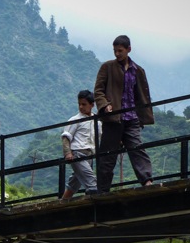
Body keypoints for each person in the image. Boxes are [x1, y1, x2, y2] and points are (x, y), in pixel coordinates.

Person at [94, 35, 154, 193]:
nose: (117, 54)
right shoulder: (107, 67)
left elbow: (141, 94)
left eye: (120, 50)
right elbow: (98, 90)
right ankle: (103, 189)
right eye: (115, 51)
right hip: (114, 118)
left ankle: (147, 180)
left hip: (132, 117)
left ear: (129, 49)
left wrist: (143, 116)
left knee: (137, 148)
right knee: (108, 156)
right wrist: (104, 105)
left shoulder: (138, 70)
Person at [60, 90, 101, 200]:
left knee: (74, 184)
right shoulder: (75, 120)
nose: (81, 107)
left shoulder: (97, 121)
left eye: (84, 104)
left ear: (92, 105)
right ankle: (94, 209)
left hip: (90, 155)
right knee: (92, 182)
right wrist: (67, 153)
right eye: (79, 104)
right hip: (78, 154)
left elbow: (101, 136)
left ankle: (61, 204)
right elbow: (66, 137)